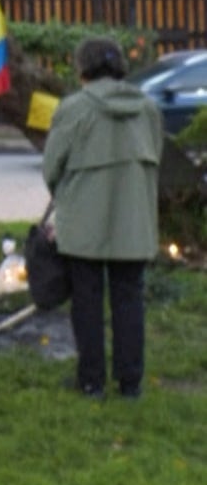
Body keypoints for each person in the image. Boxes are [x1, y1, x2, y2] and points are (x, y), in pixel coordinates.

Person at [42, 37, 163, 400]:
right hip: (134, 216)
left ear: (82, 67)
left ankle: (92, 380)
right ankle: (131, 384)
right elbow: (157, 155)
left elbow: (52, 166)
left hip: (83, 217)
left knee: (87, 300)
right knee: (130, 299)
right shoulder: (148, 109)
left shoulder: (73, 108)